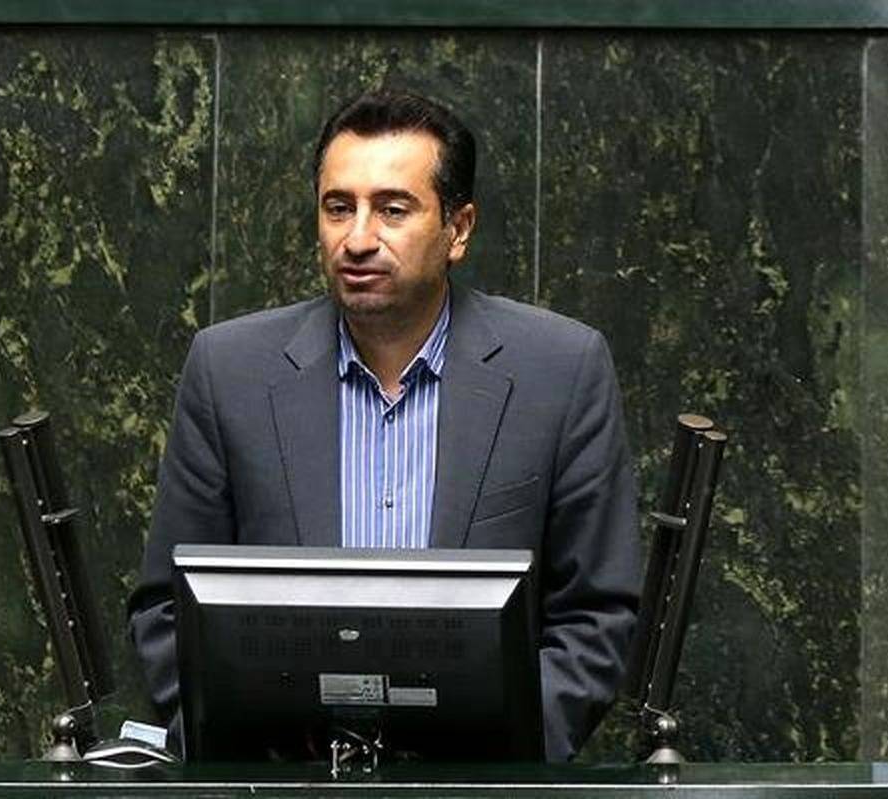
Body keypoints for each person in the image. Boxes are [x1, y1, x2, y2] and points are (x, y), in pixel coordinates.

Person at [128, 89, 641, 763]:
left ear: (458, 228)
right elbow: (166, 612)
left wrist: (488, 758)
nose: (358, 239)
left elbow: (595, 615)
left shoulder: (561, 371)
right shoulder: (230, 372)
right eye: (339, 207)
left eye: (393, 209)